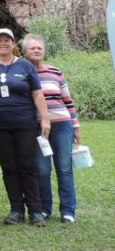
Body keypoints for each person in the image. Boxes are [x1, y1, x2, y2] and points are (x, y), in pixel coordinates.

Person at [0, 28, 51, 226]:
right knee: (8, 167)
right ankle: (16, 209)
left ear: (14, 44)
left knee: (27, 166)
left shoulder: (25, 65)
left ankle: (35, 211)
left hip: (25, 124)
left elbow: (37, 94)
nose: (3, 43)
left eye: (7, 40)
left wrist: (45, 119)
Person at [22, 34, 80, 223]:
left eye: (40, 47)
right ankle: (45, 208)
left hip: (63, 125)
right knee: (42, 170)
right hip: (38, 129)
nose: (37, 50)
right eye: (33, 48)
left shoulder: (55, 71)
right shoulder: (22, 73)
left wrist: (75, 126)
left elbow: (67, 100)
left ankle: (68, 210)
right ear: (24, 52)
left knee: (64, 168)